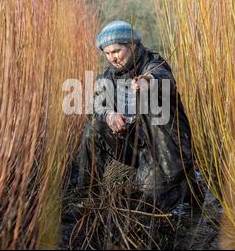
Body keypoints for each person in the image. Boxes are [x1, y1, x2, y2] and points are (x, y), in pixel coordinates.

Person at [71, 20, 204, 213]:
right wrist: (109, 115)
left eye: (116, 51)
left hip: (167, 149)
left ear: (132, 46)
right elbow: (96, 105)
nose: (112, 58)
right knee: (94, 127)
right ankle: (87, 198)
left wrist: (147, 81)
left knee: (152, 206)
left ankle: (188, 185)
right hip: (135, 147)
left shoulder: (154, 63)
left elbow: (162, 77)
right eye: (107, 53)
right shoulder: (108, 76)